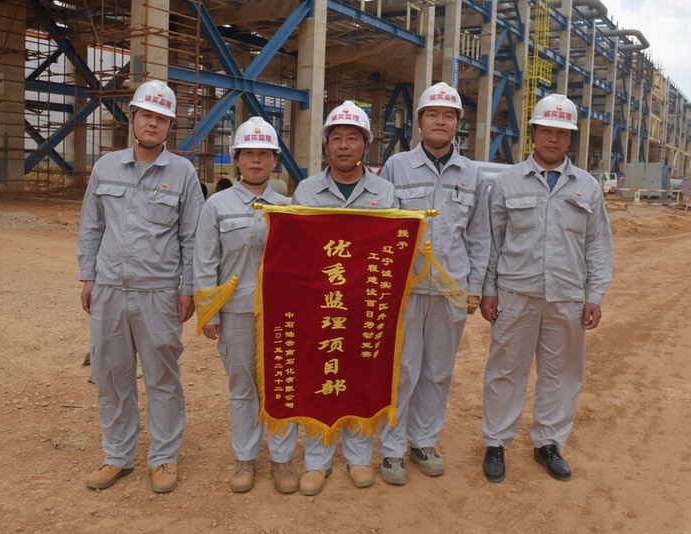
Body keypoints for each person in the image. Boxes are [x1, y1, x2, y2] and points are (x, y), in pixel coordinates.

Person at [77, 79, 204, 493]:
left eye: (162, 118)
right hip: (110, 288)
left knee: (161, 377)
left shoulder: (183, 173)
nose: (153, 123)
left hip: (158, 292)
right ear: (131, 118)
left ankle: (164, 458)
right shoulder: (106, 167)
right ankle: (117, 456)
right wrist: (89, 276)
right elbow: (92, 225)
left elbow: (192, 237)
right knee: (111, 375)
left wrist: (187, 289)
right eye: (147, 115)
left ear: (170, 126)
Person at [479, 93, 613, 483]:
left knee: (562, 373)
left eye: (562, 133)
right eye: (546, 131)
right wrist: (488, 289)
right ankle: (496, 443)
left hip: (567, 296)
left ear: (570, 138)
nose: (553, 139)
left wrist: (595, 295)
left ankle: (548, 444)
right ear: (533, 133)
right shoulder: (506, 182)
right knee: (505, 369)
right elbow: (492, 240)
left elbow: (598, 245)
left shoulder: (587, 186)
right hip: (516, 293)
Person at [378, 82, 491, 485]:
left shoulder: (473, 174)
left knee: (438, 370)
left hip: (450, 289)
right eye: (432, 114)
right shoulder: (397, 167)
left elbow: (480, 235)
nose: (440, 121)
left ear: (458, 123)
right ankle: (392, 448)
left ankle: (423, 442)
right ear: (420, 122)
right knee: (401, 369)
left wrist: (474, 287)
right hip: (406, 290)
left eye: (448, 115)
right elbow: (382, 229)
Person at [291, 100, 398, 496]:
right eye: (336, 138)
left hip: (364, 304)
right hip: (320, 306)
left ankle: (358, 457)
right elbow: (294, 248)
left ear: (365, 146)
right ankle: (316, 461)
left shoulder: (384, 192)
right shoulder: (307, 190)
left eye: (353, 138)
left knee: (359, 376)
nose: (344, 146)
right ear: (326, 145)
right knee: (318, 376)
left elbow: (393, 247)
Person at [193, 117, 300, 494]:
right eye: (249, 153)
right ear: (236, 158)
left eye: (264, 154)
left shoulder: (289, 207)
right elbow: (205, 261)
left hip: (280, 314)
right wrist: (209, 311)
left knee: (282, 384)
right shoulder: (217, 206)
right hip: (236, 311)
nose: (256, 160)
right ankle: (245, 458)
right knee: (242, 386)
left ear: (275, 161)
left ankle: (283, 459)